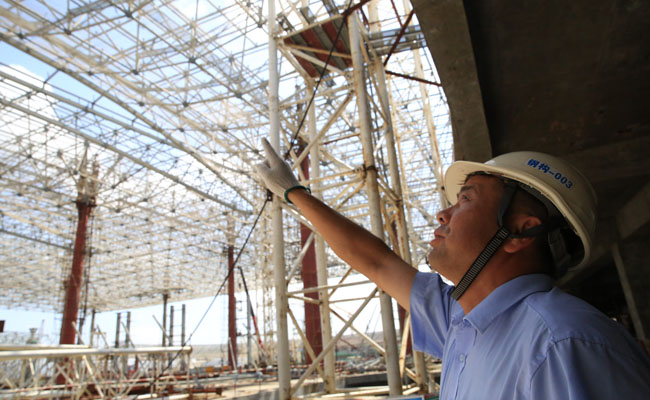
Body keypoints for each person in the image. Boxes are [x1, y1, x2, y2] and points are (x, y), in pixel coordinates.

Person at [254, 139, 650, 399]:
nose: (443, 213)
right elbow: (376, 261)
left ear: (520, 231)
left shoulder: (564, 347)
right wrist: (294, 193)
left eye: (464, 199)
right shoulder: (460, 323)